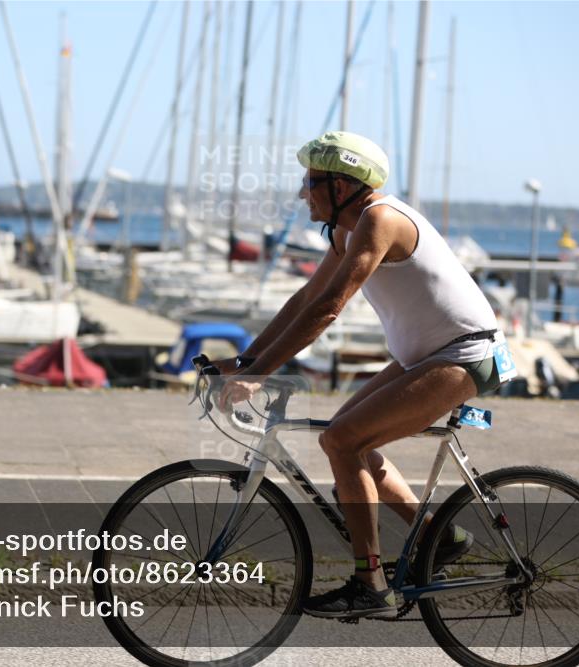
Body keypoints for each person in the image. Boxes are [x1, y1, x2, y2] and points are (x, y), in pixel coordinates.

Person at [216, 131, 512, 619]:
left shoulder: (380, 220)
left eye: (311, 181)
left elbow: (331, 308)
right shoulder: (344, 229)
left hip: (465, 355)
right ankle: (441, 535)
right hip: (425, 355)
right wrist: (249, 360)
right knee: (347, 441)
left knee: (342, 441)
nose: (301, 192)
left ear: (342, 186)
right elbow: (306, 299)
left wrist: (262, 373)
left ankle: (371, 585)